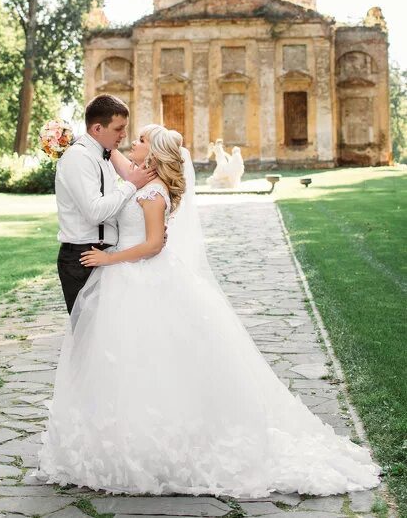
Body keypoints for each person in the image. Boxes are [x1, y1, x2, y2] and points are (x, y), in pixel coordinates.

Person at [33, 124, 381, 498]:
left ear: (151, 155)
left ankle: (155, 446)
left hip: (138, 274)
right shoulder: (142, 180)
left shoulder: (150, 191)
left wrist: (109, 257)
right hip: (127, 277)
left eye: (140, 140)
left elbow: (152, 245)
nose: (130, 141)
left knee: (144, 360)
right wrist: (73, 139)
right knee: (131, 360)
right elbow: (113, 154)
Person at [54, 94, 156, 314]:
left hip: (105, 255)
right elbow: (95, 212)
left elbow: (114, 208)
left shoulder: (103, 156)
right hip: (83, 259)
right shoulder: (78, 157)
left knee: (107, 336)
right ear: (97, 129)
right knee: (88, 337)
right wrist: (131, 185)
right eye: (119, 128)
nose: (124, 135)